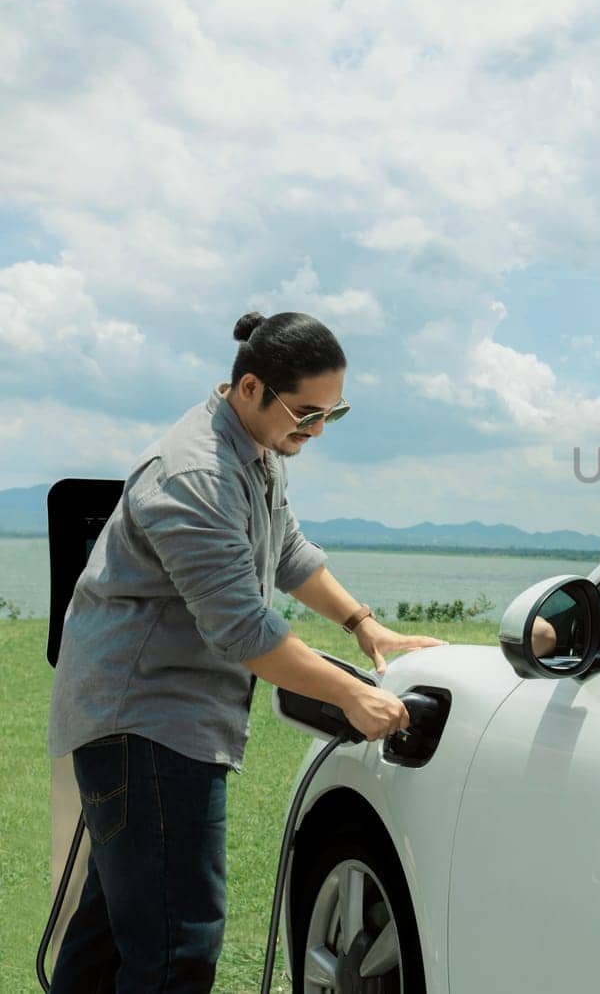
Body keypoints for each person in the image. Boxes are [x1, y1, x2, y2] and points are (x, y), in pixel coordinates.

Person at [46, 311, 444, 991]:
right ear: (252, 386)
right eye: (306, 413)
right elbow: (243, 630)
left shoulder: (257, 451)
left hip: (159, 720)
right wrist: (350, 692)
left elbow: (287, 552)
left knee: (111, 936)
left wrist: (362, 623)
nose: (316, 431)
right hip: (144, 724)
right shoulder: (194, 475)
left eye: (332, 414)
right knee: (177, 945)